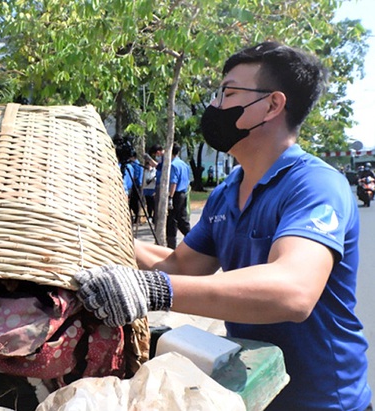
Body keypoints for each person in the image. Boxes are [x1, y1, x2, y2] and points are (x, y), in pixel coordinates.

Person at [75, 42, 371, 410]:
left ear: (272, 105)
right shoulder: (225, 192)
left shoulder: (315, 184)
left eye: (229, 93)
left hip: (324, 399)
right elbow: (182, 266)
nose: (215, 106)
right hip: (252, 388)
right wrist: (88, 240)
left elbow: (293, 290)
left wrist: (153, 290)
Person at [161, 143, 191, 248]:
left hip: (176, 194)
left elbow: (174, 182)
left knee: (172, 219)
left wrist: (170, 197)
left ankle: (171, 244)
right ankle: (191, 238)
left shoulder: (173, 165)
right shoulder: (184, 164)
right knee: (182, 218)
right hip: (183, 193)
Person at [142, 159, 157, 224]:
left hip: (152, 188)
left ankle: (155, 216)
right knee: (148, 203)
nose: (148, 166)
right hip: (146, 188)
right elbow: (144, 180)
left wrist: (153, 179)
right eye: (147, 164)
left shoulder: (154, 171)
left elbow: (156, 179)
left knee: (153, 203)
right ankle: (149, 216)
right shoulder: (145, 171)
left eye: (149, 164)